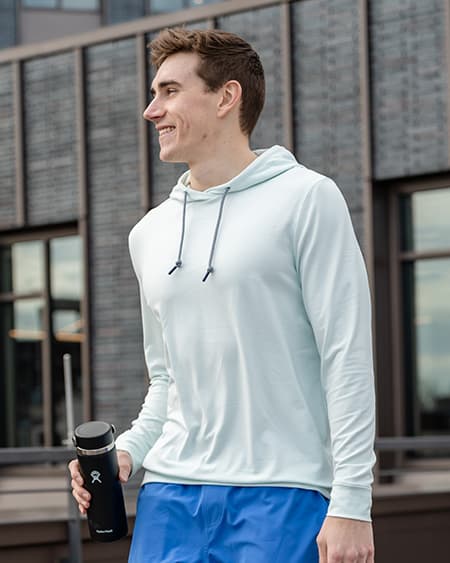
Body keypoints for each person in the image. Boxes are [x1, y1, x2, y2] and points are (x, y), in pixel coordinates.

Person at [69, 27, 376, 563]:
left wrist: (352, 501)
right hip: (169, 496)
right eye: (153, 93)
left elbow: (346, 358)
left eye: (168, 91)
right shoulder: (150, 232)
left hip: (283, 492)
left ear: (226, 97)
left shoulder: (307, 198)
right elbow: (167, 377)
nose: (151, 110)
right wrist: (129, 454)